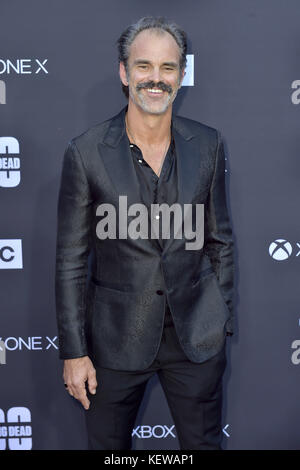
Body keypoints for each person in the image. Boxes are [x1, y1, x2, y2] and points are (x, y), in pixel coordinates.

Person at [55, 16, 235, 450]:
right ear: (124, 72)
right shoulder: (86, 152)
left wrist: (219, 314)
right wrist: (74, 352)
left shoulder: (208, 144)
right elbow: (70, 262)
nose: (155, 78)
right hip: (113, 344)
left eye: (168, 67)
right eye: (143, 66)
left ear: (181, 74)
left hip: (195, 339)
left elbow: (221, 241)